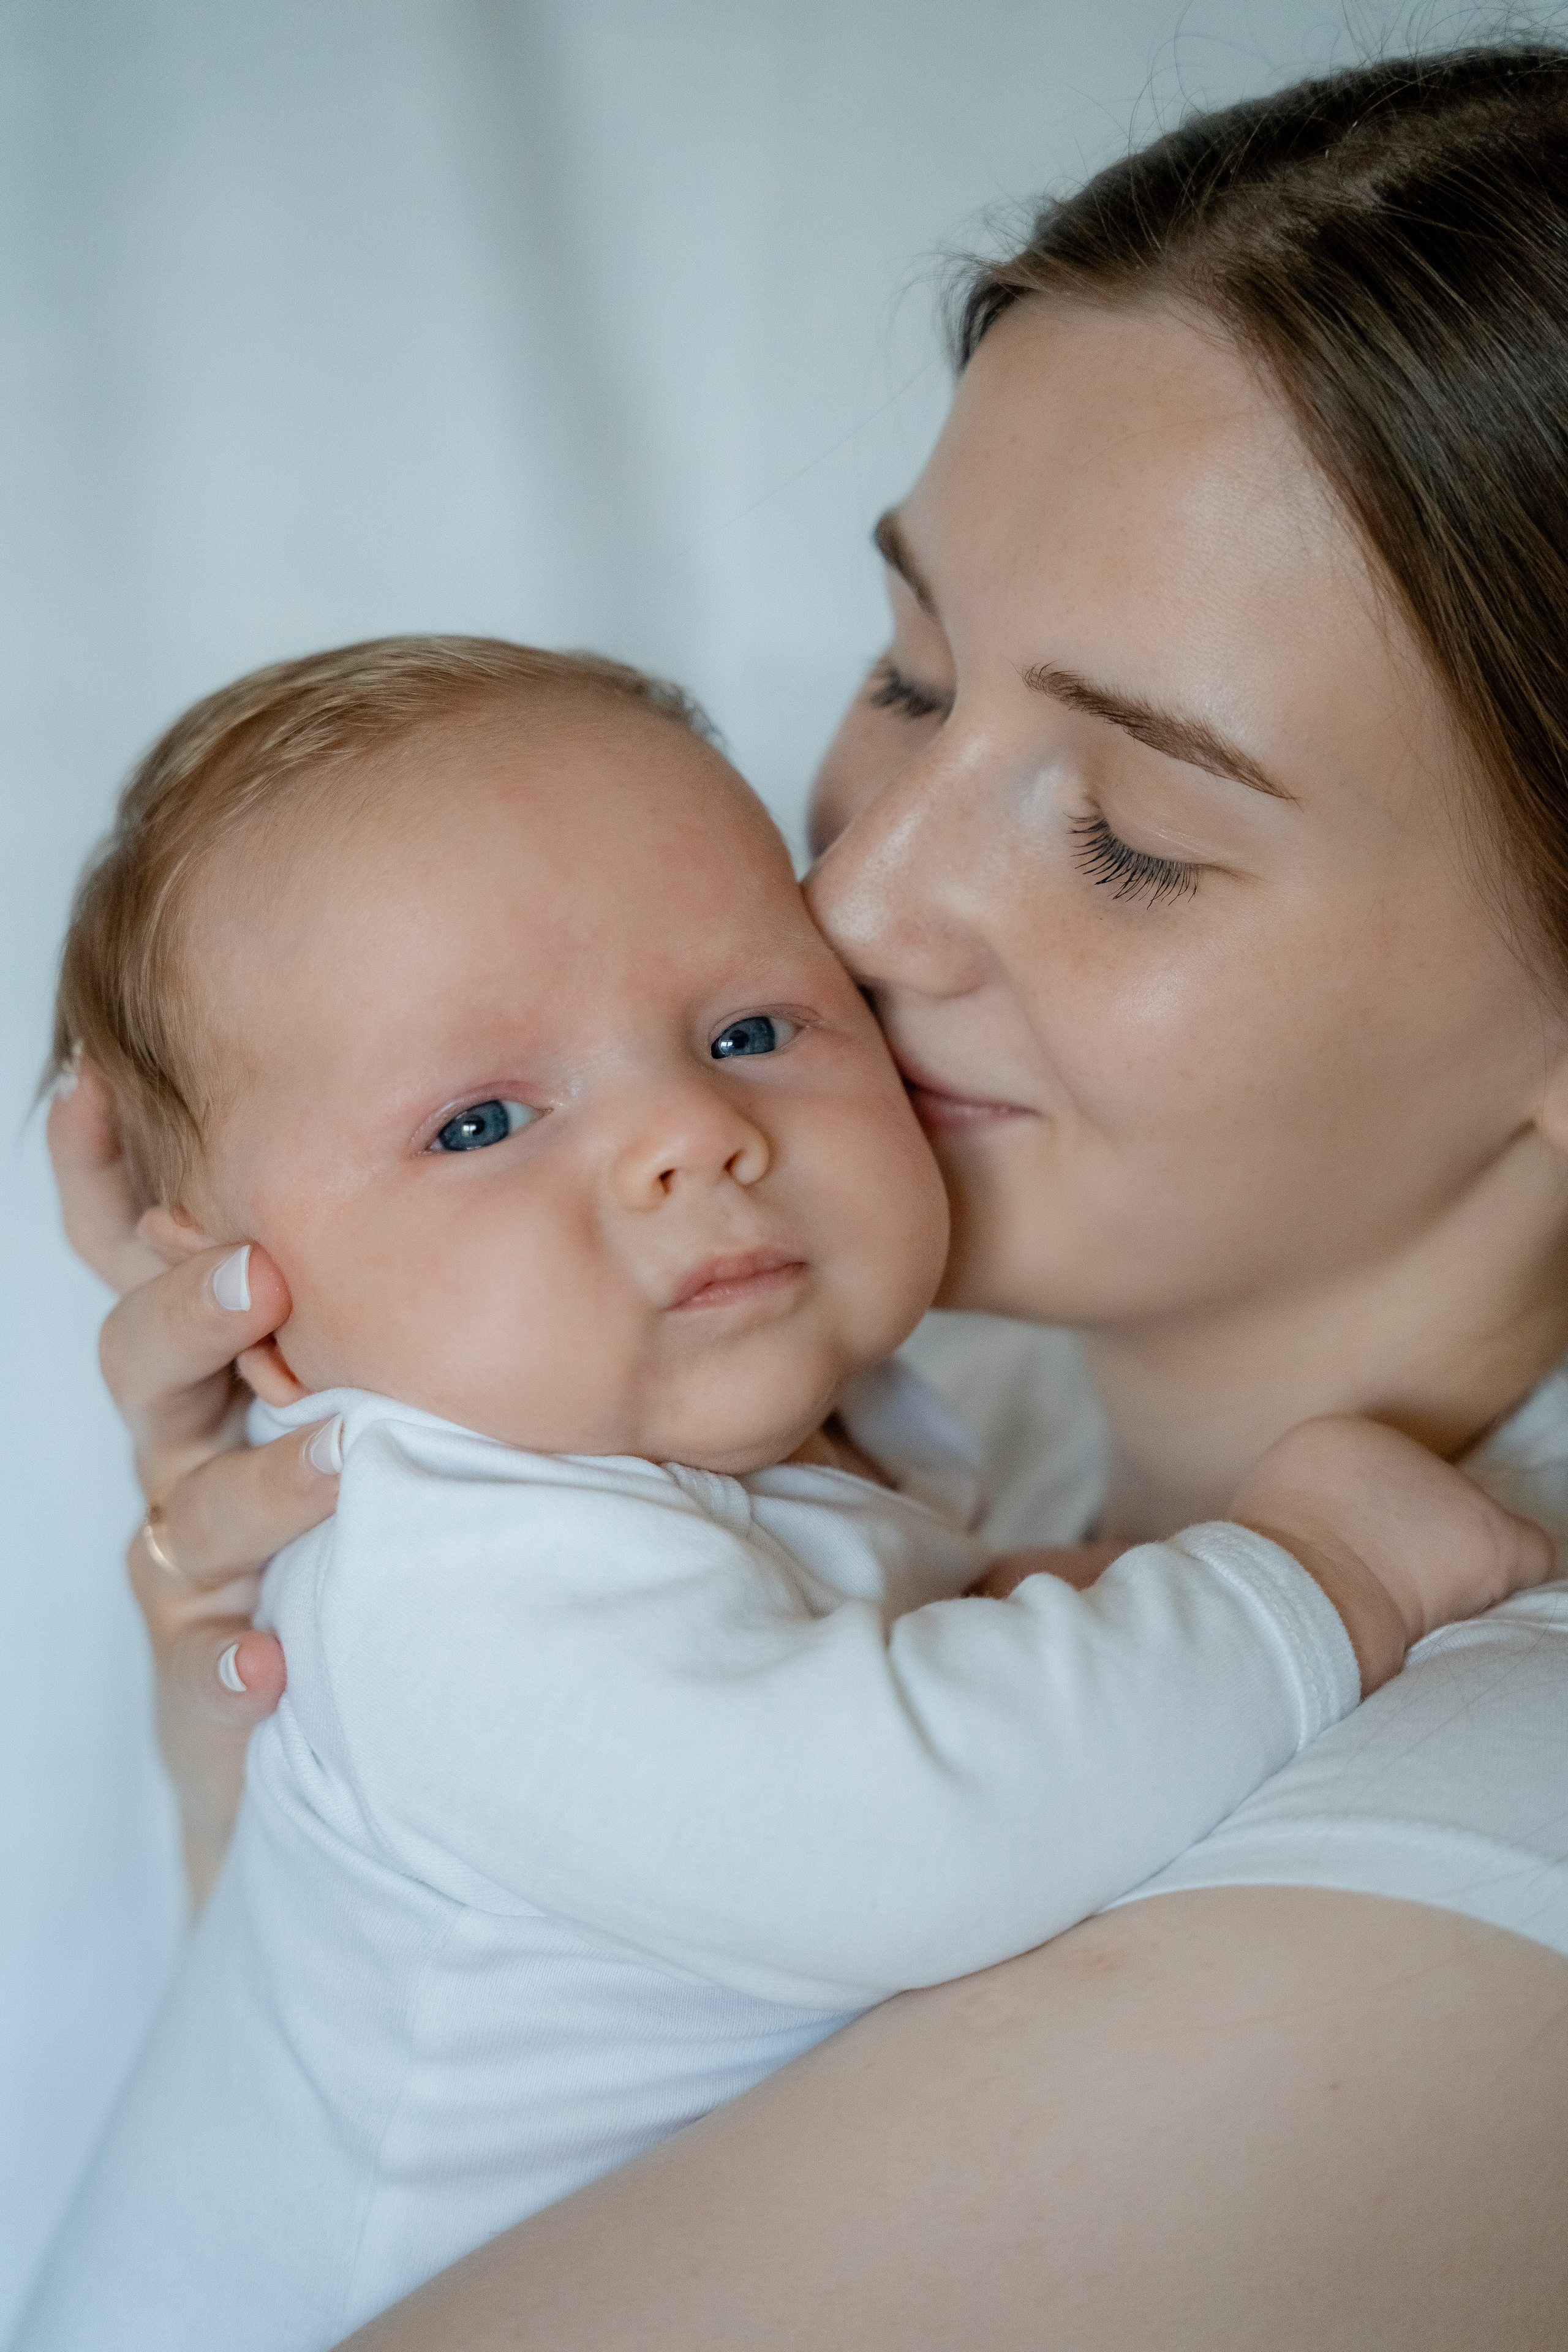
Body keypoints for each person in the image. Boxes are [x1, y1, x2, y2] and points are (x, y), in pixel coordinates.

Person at [45, 40, 1568, 2350]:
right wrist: (266, 1723)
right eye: (908, 673)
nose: (850, 889)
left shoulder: (1470, 1857)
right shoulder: (887, 1404)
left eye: (1134, 832)